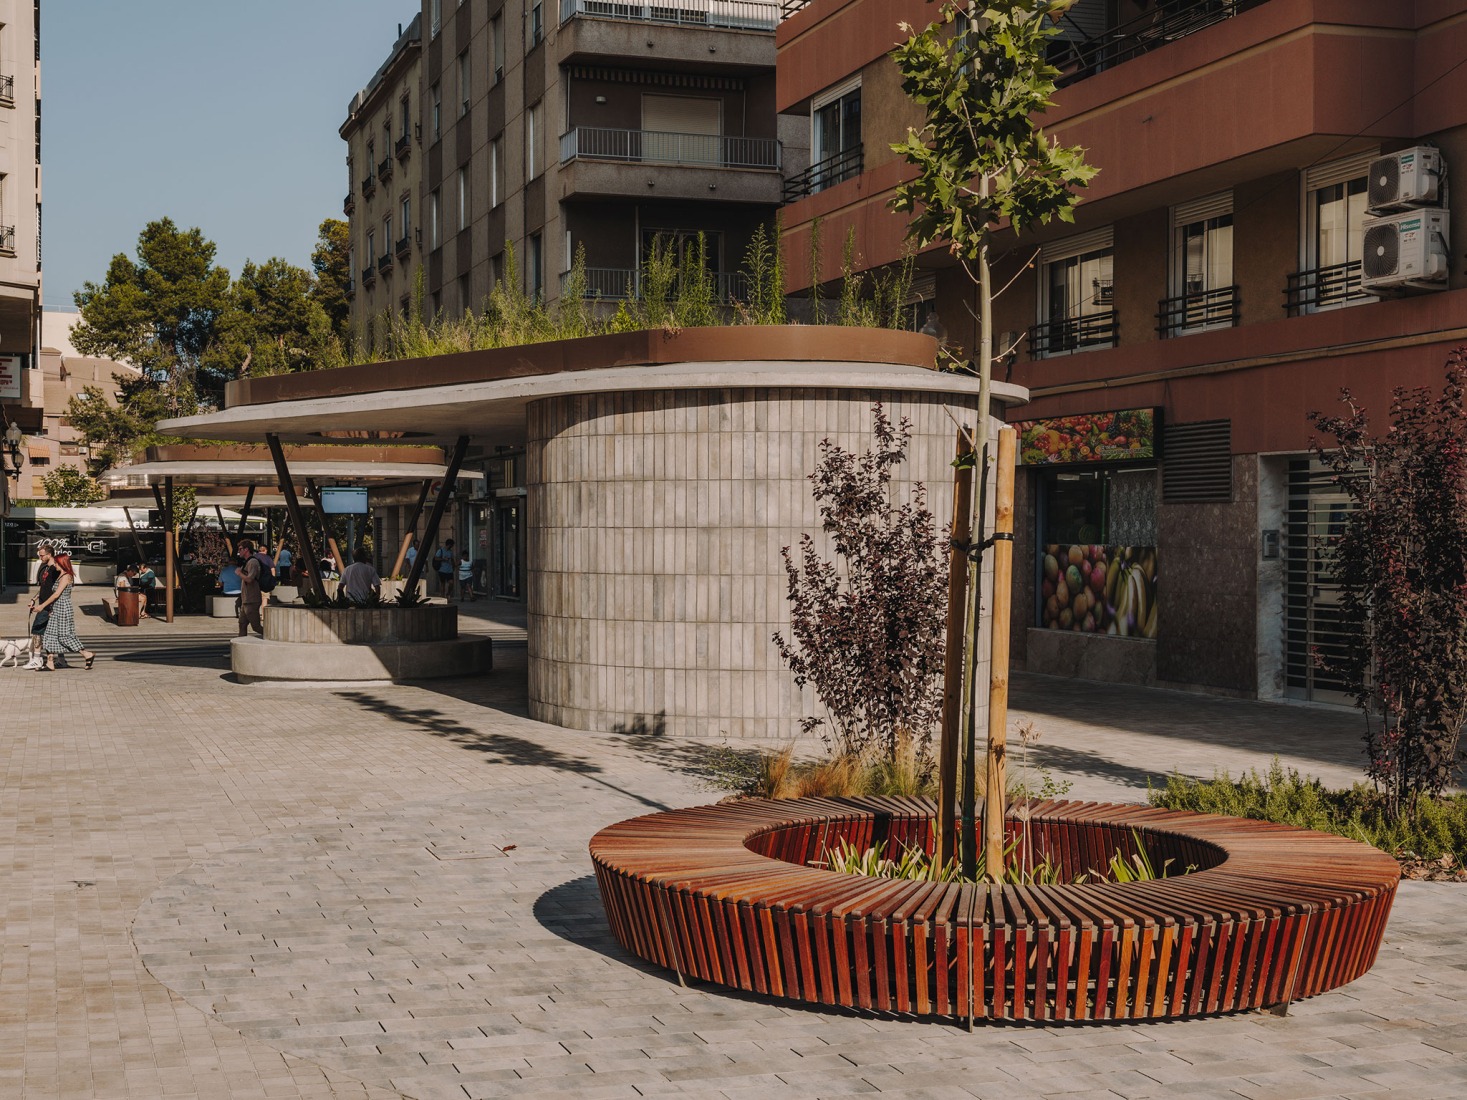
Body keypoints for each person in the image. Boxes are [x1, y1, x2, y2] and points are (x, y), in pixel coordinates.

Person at [33, 547, 96, 671]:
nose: (54, 564)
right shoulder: (60, 575)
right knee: (50, 635)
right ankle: (50, 663)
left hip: (62, 609)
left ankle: (86, 654)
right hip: (56, 608)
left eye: (56, 563)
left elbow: (56, 594)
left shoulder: (66, 576)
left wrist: (42, 606)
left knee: (64, 636)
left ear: (61, 563)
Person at [25, 542, 62, 669]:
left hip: (48, 606)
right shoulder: (45, 567)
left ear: (49, 554)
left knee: (37, 629)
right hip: (43, 604)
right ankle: (58, 659)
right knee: (51, 632)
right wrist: (34, 598)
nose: (40, 558)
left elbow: (57, 590)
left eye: (42, 555)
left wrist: (50, 606)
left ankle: (37, 658)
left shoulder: (55, 569)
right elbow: (43, 587)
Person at [236, 539, 264, 638]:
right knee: (242, 624)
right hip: (246, 600)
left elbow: (250, 579)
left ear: (246, 549)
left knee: (256, 626)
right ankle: (240, 645)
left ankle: (274, 637)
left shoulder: (252, 562)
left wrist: (239, 573)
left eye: (240, 549)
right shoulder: (247, 562)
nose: (239, 551)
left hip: (252, 599)